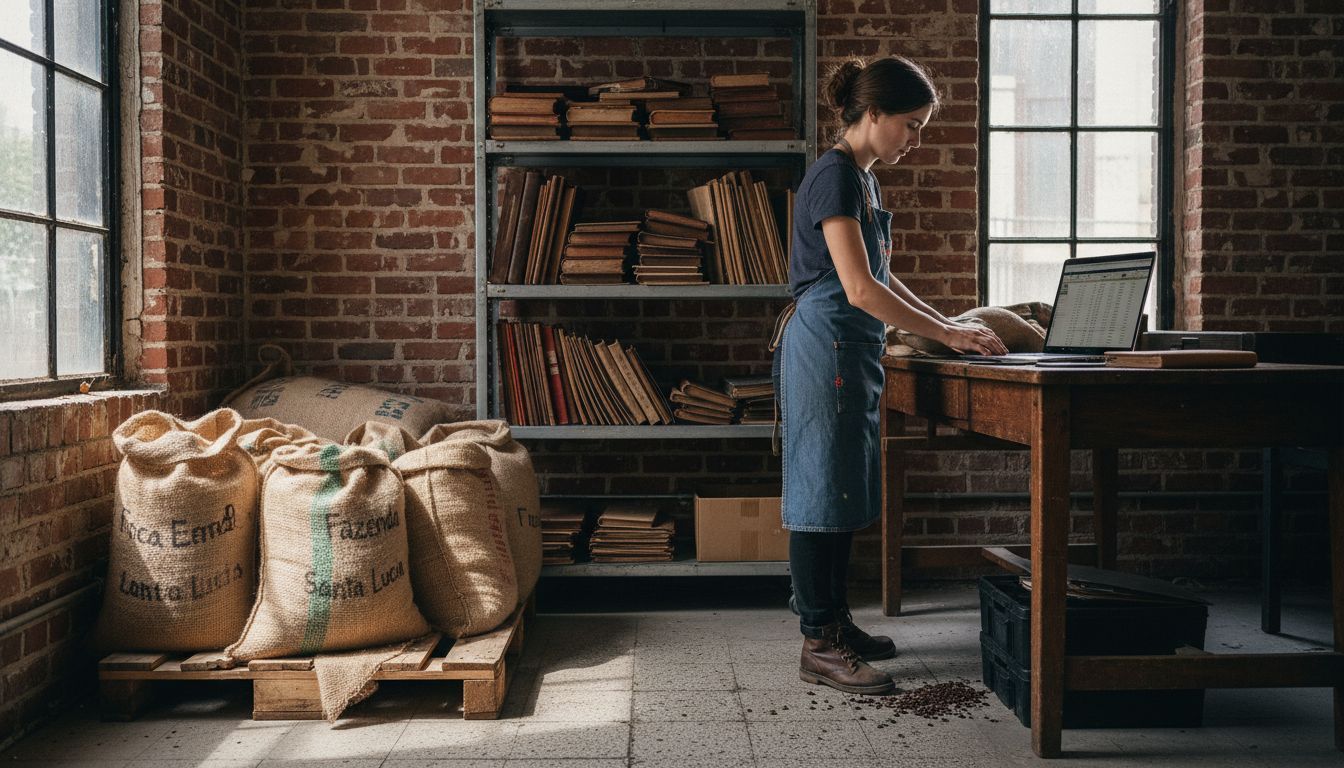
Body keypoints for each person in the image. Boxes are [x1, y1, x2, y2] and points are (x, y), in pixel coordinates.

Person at [773, 56, 1007, 695]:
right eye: (910, 124)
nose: (916, 140)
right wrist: (948, 335)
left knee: (842, 490)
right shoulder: (835, 177)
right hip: (825, 343)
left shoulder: (864, 181)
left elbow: (881, 278)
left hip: (848, 347)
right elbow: (856, 287)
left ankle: (837, 624)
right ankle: (817, 642)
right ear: (871, 114)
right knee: (820, 493)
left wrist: (945, 320)